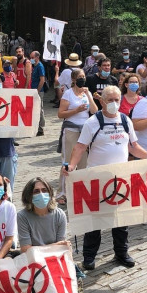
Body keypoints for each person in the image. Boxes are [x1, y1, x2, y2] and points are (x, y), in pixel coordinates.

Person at [65, 86, 147, 270]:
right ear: (101, 101)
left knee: (121, 219)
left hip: (121, 178)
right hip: (97, 178)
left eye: (117, 99)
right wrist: (71, 165)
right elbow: (79, 147)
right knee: (95, 219)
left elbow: (133, 147)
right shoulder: (93, 122)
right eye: (109, 100)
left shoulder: (126, 120)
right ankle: (89, 256)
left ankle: (121, 253)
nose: (114, 103)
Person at [57, 68, 97, 202]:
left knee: (84, 162)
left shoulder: (87, 93)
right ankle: (62, 193)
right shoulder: (68, 94)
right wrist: (76, 110)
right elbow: (61, 114)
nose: (83, 79)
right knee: (68, 161)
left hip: (85, 130)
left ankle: (80, 192)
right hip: (71, 129)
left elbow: (94, 111)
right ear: (74, 80)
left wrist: (90, 96)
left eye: (84, 76)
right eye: (80, 77)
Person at [29, 51, 47, 136]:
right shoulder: (33, 66)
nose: (31, 59)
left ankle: (41, 128)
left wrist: (37, 91)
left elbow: (42, 80)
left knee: (39, 109)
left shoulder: (40, 66)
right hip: (33, 90)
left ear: (37, 57)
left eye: (32, 58)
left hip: (38, 91)